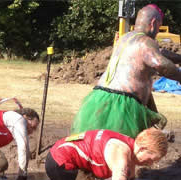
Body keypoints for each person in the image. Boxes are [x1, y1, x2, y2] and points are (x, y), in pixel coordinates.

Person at [71, 4, 181, 138]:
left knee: (96, 144)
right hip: (123, 104)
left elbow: (160, 53)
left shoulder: (126, 38)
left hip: (101, 98)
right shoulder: (145, 41)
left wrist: (179, 58)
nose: (157, 31)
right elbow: (160, 64)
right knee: (121, 147)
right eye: (159, 27)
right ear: (153, 23)